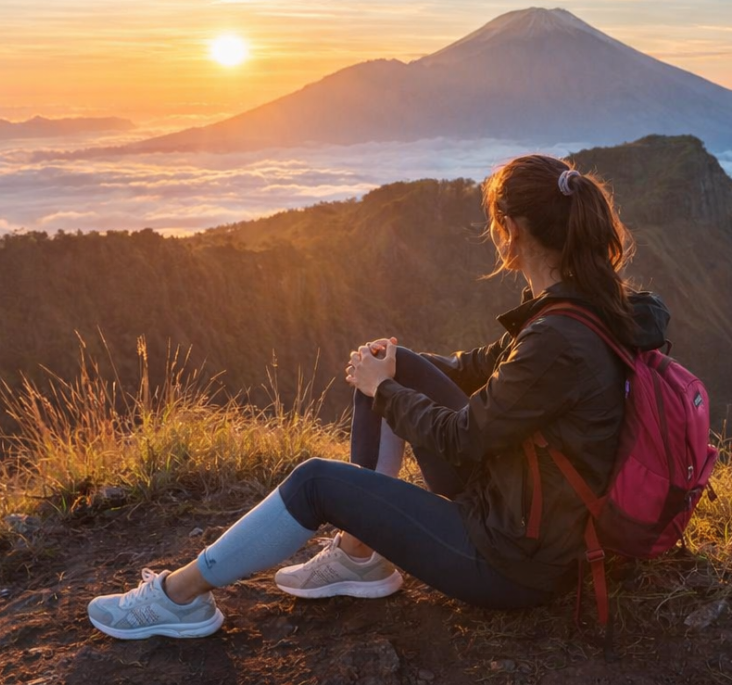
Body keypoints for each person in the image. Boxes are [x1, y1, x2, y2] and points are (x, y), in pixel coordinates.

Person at [87, 154, 669, 640]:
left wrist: (382, 389)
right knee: (398, 363)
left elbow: (462, 440)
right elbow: (477, 370)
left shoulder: (558, 339)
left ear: (511, 230)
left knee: (317, 481)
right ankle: (359, 555)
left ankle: (177, 597)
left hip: (514, 561)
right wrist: (391, 367)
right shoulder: (580, 308)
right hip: (528, 514)